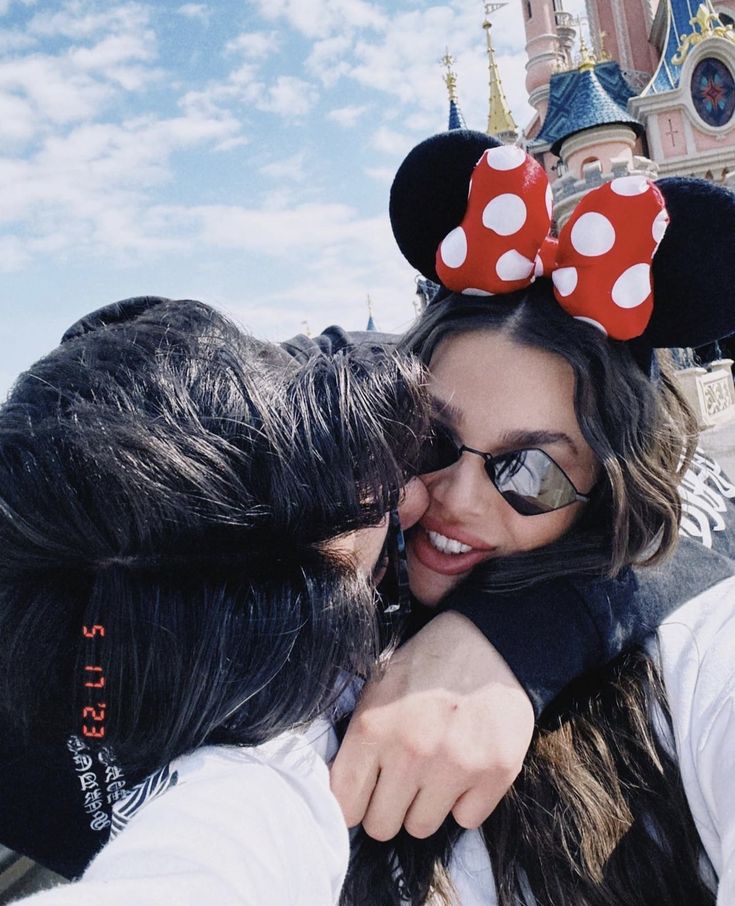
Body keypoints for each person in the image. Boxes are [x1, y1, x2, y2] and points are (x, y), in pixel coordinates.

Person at [335, 131, 735, 904]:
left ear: (607, 494)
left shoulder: (683, 667)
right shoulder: (317, 627)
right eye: (430, 439)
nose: (458, 496)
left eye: (530, 472)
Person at [0, 296, 430, 903]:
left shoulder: (259, 403)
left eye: (370, 463)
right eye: (381, 564)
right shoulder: (261, 774)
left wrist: (519, 646)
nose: (417, 497)